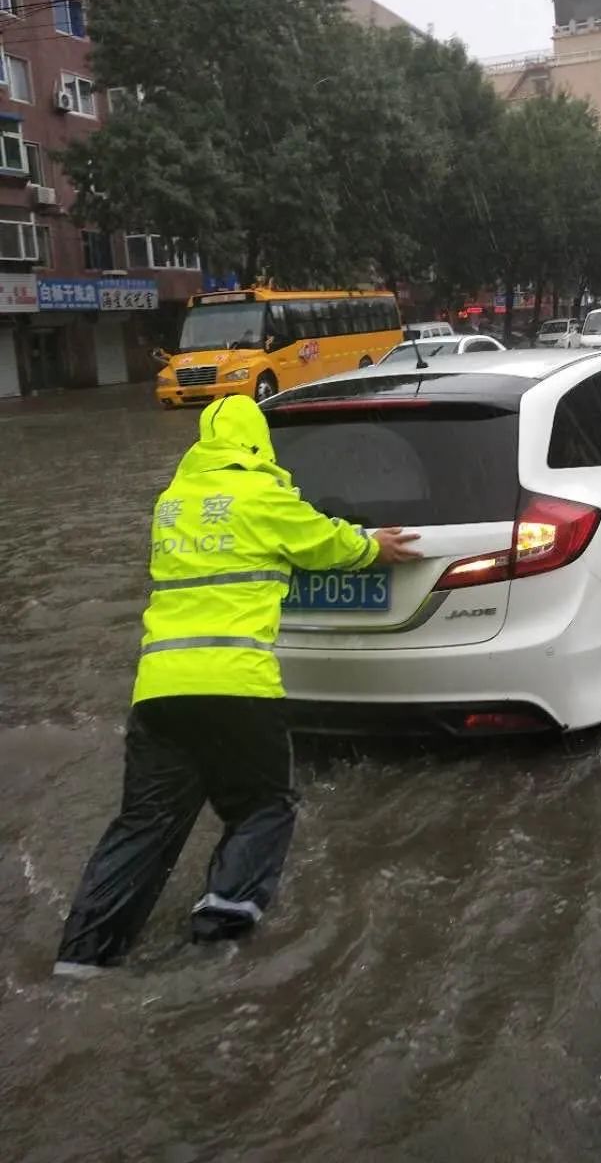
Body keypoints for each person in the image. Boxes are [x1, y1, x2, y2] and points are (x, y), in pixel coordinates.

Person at [54, 394, 421, 976]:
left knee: (144, 824)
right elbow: (326, 541)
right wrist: (374, 546)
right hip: (237, 685)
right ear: (258, 442)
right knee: (264, 804)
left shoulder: (171, 504)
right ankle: (220, 927)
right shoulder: (264, 497)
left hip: (160, 689)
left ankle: (82, 956)